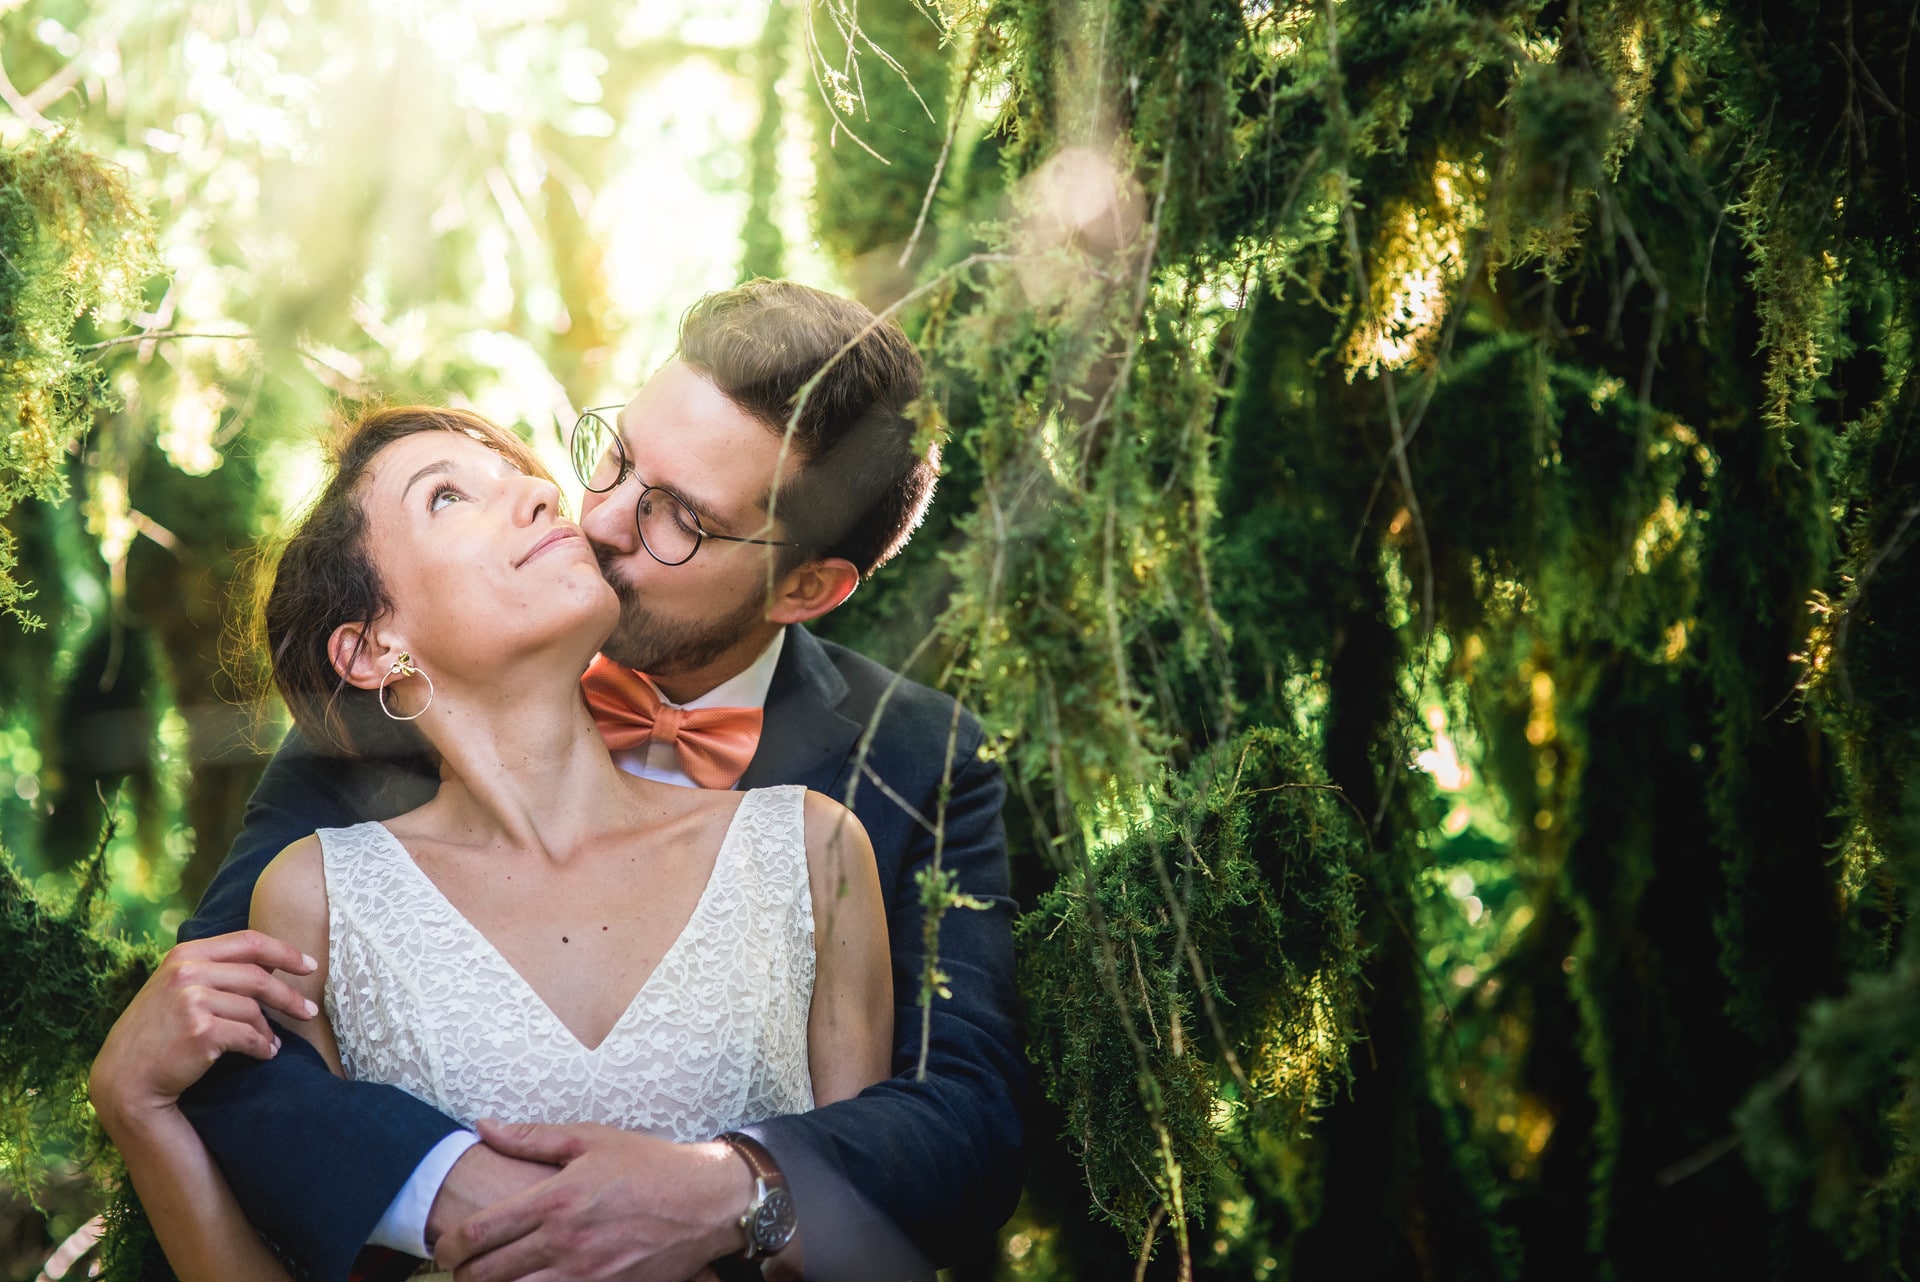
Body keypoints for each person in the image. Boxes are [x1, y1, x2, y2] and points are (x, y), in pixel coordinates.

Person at [92, 280, 1027, 1281]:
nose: (601, 517)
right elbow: (219, 1036)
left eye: (680, 517)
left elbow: (961, 1120)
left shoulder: (894, 775)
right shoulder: (364, 758)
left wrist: (728, 1189)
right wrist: (463, 1191)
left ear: (806, 587)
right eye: (616, 458)